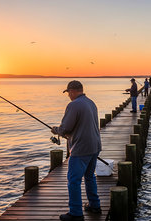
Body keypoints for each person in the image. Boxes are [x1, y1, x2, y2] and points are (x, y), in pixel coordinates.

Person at [51, 80, 102, 221]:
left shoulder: (73, 105)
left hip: (81, 149)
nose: (68, 96)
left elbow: (66, 128)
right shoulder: (91, 102)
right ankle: (95, 206)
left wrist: (56, 130)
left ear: (72, 91)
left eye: (68, 93)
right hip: (95, 146)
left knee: (73, 180)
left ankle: (76, 213)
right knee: (90, 176)